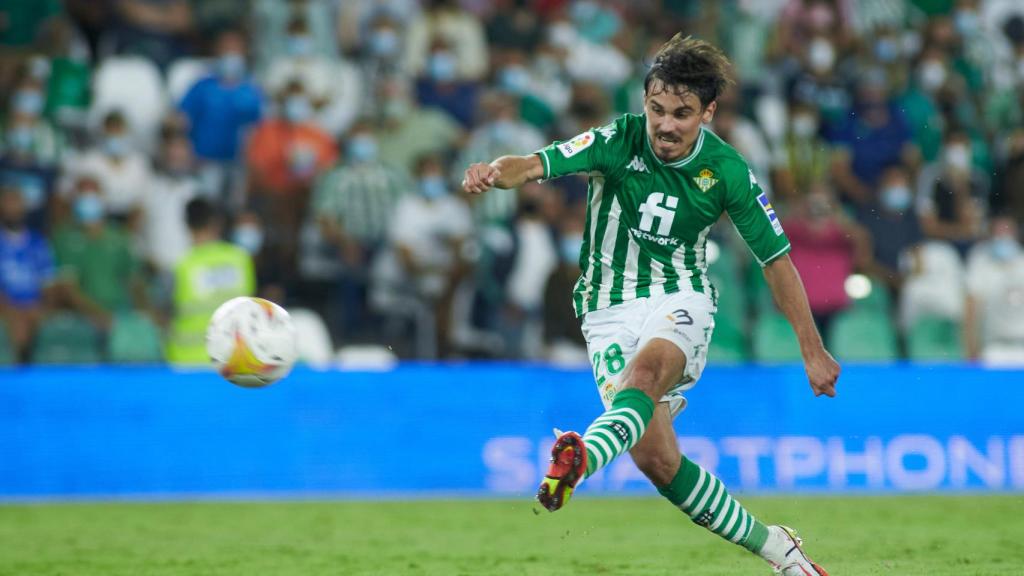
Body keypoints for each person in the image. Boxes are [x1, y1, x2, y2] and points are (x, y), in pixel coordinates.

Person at [462, 34, 838, 576]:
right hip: (606, 308)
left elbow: (776, 261)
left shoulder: (727, 170)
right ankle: (778, 548)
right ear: (645, 102)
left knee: (644, 375)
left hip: (680, 294)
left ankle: (579, 460)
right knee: (658, 461)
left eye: (681, 114)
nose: (665, 125)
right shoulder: (618, 139)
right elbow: (534, 163)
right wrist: (495, 172)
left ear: (708, 112)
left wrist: (811, 348)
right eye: (657, 109)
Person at [166, 198, 255, 364]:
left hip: (188, 361)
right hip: (234, 361)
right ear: (217, 223)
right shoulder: (240, 259)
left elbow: (164, 313)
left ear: (187, 225)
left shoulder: (182, 266)